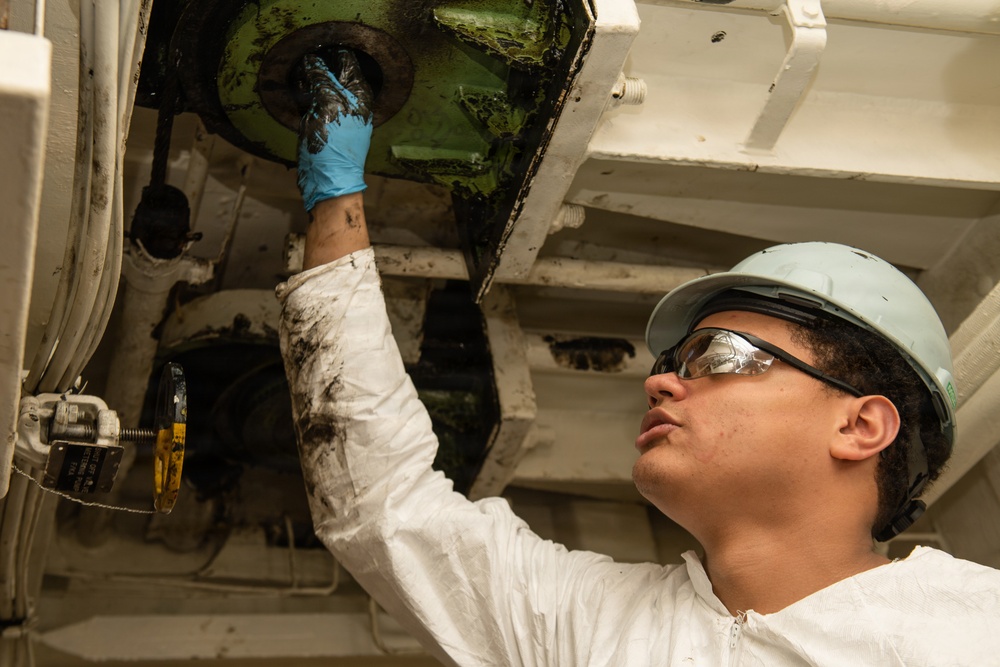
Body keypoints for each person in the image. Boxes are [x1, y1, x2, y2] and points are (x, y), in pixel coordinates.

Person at [277, 50, 1000, 666]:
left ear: (861, 425)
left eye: (717, 354)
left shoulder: (970, 630)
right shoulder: (595, 626)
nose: (659, 381)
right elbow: (383, 507)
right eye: (674, 361)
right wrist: (335, 197)